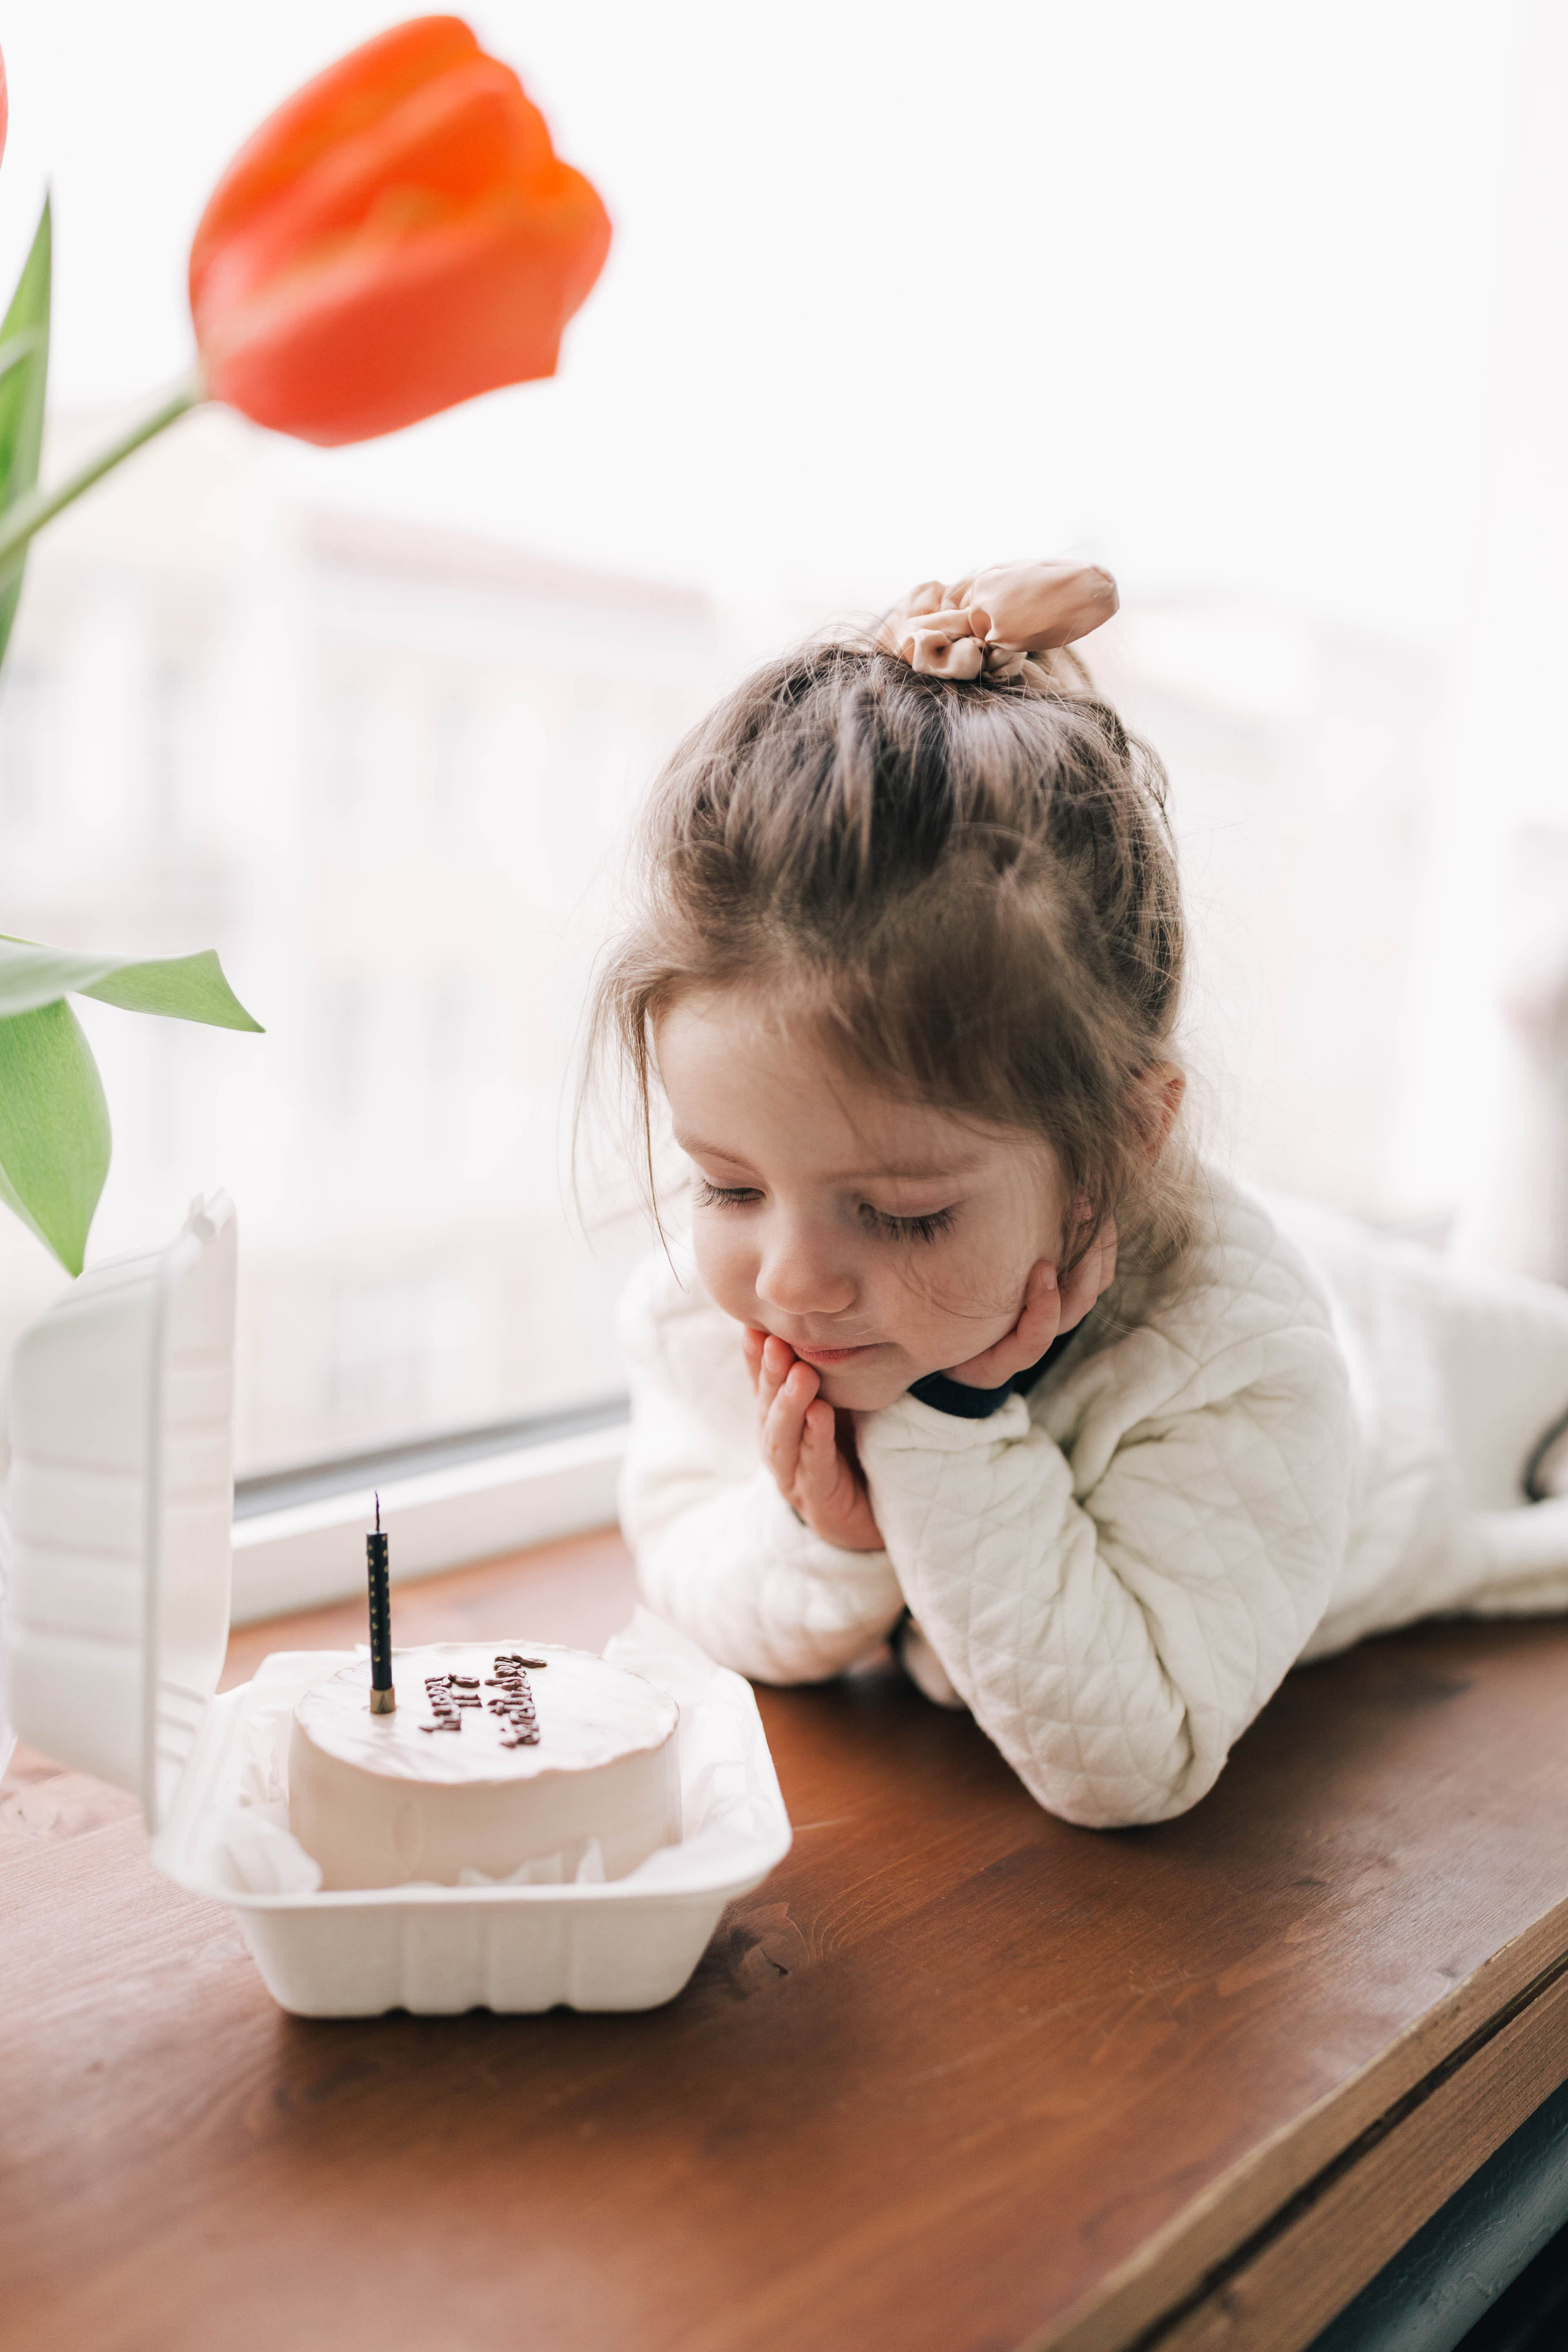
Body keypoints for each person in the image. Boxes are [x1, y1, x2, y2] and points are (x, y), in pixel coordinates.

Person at [589, 561, 1568, 1830]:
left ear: (1113, 1151)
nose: (789, 1278)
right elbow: (684, 1567)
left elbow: (1133, 1759)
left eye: (898, 1212)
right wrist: (831, 1539)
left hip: (1404, 1386)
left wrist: (947, 1416)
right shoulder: (705, 1312)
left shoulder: (1238, 1359)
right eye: (726, 1185)